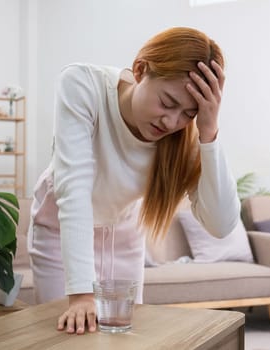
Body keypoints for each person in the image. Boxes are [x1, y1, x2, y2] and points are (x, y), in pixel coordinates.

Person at [27, 26, 241, 334]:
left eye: (188, 113)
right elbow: (74, 190)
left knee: (122, 339)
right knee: (65, 338)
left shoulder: (183, 137)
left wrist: (208, 131)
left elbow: (221, 225)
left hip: (124, 237)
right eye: (167, 103)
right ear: (141, 69)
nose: (172, 122)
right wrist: (81, 294)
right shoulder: (83, 85)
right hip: (59, 236)